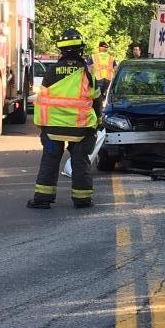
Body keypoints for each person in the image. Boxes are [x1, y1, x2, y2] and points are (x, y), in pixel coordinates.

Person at [28, 28, 103, 209]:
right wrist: (97, 120)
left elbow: (43, 99)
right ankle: (82, 199)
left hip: (53, 129)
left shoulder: (51, 72)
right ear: (81, 49)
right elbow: (96, 100)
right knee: (80, 161)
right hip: (80, 128)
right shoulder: (86, 73)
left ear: (61, 49)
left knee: (50, 161)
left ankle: (42, 199)